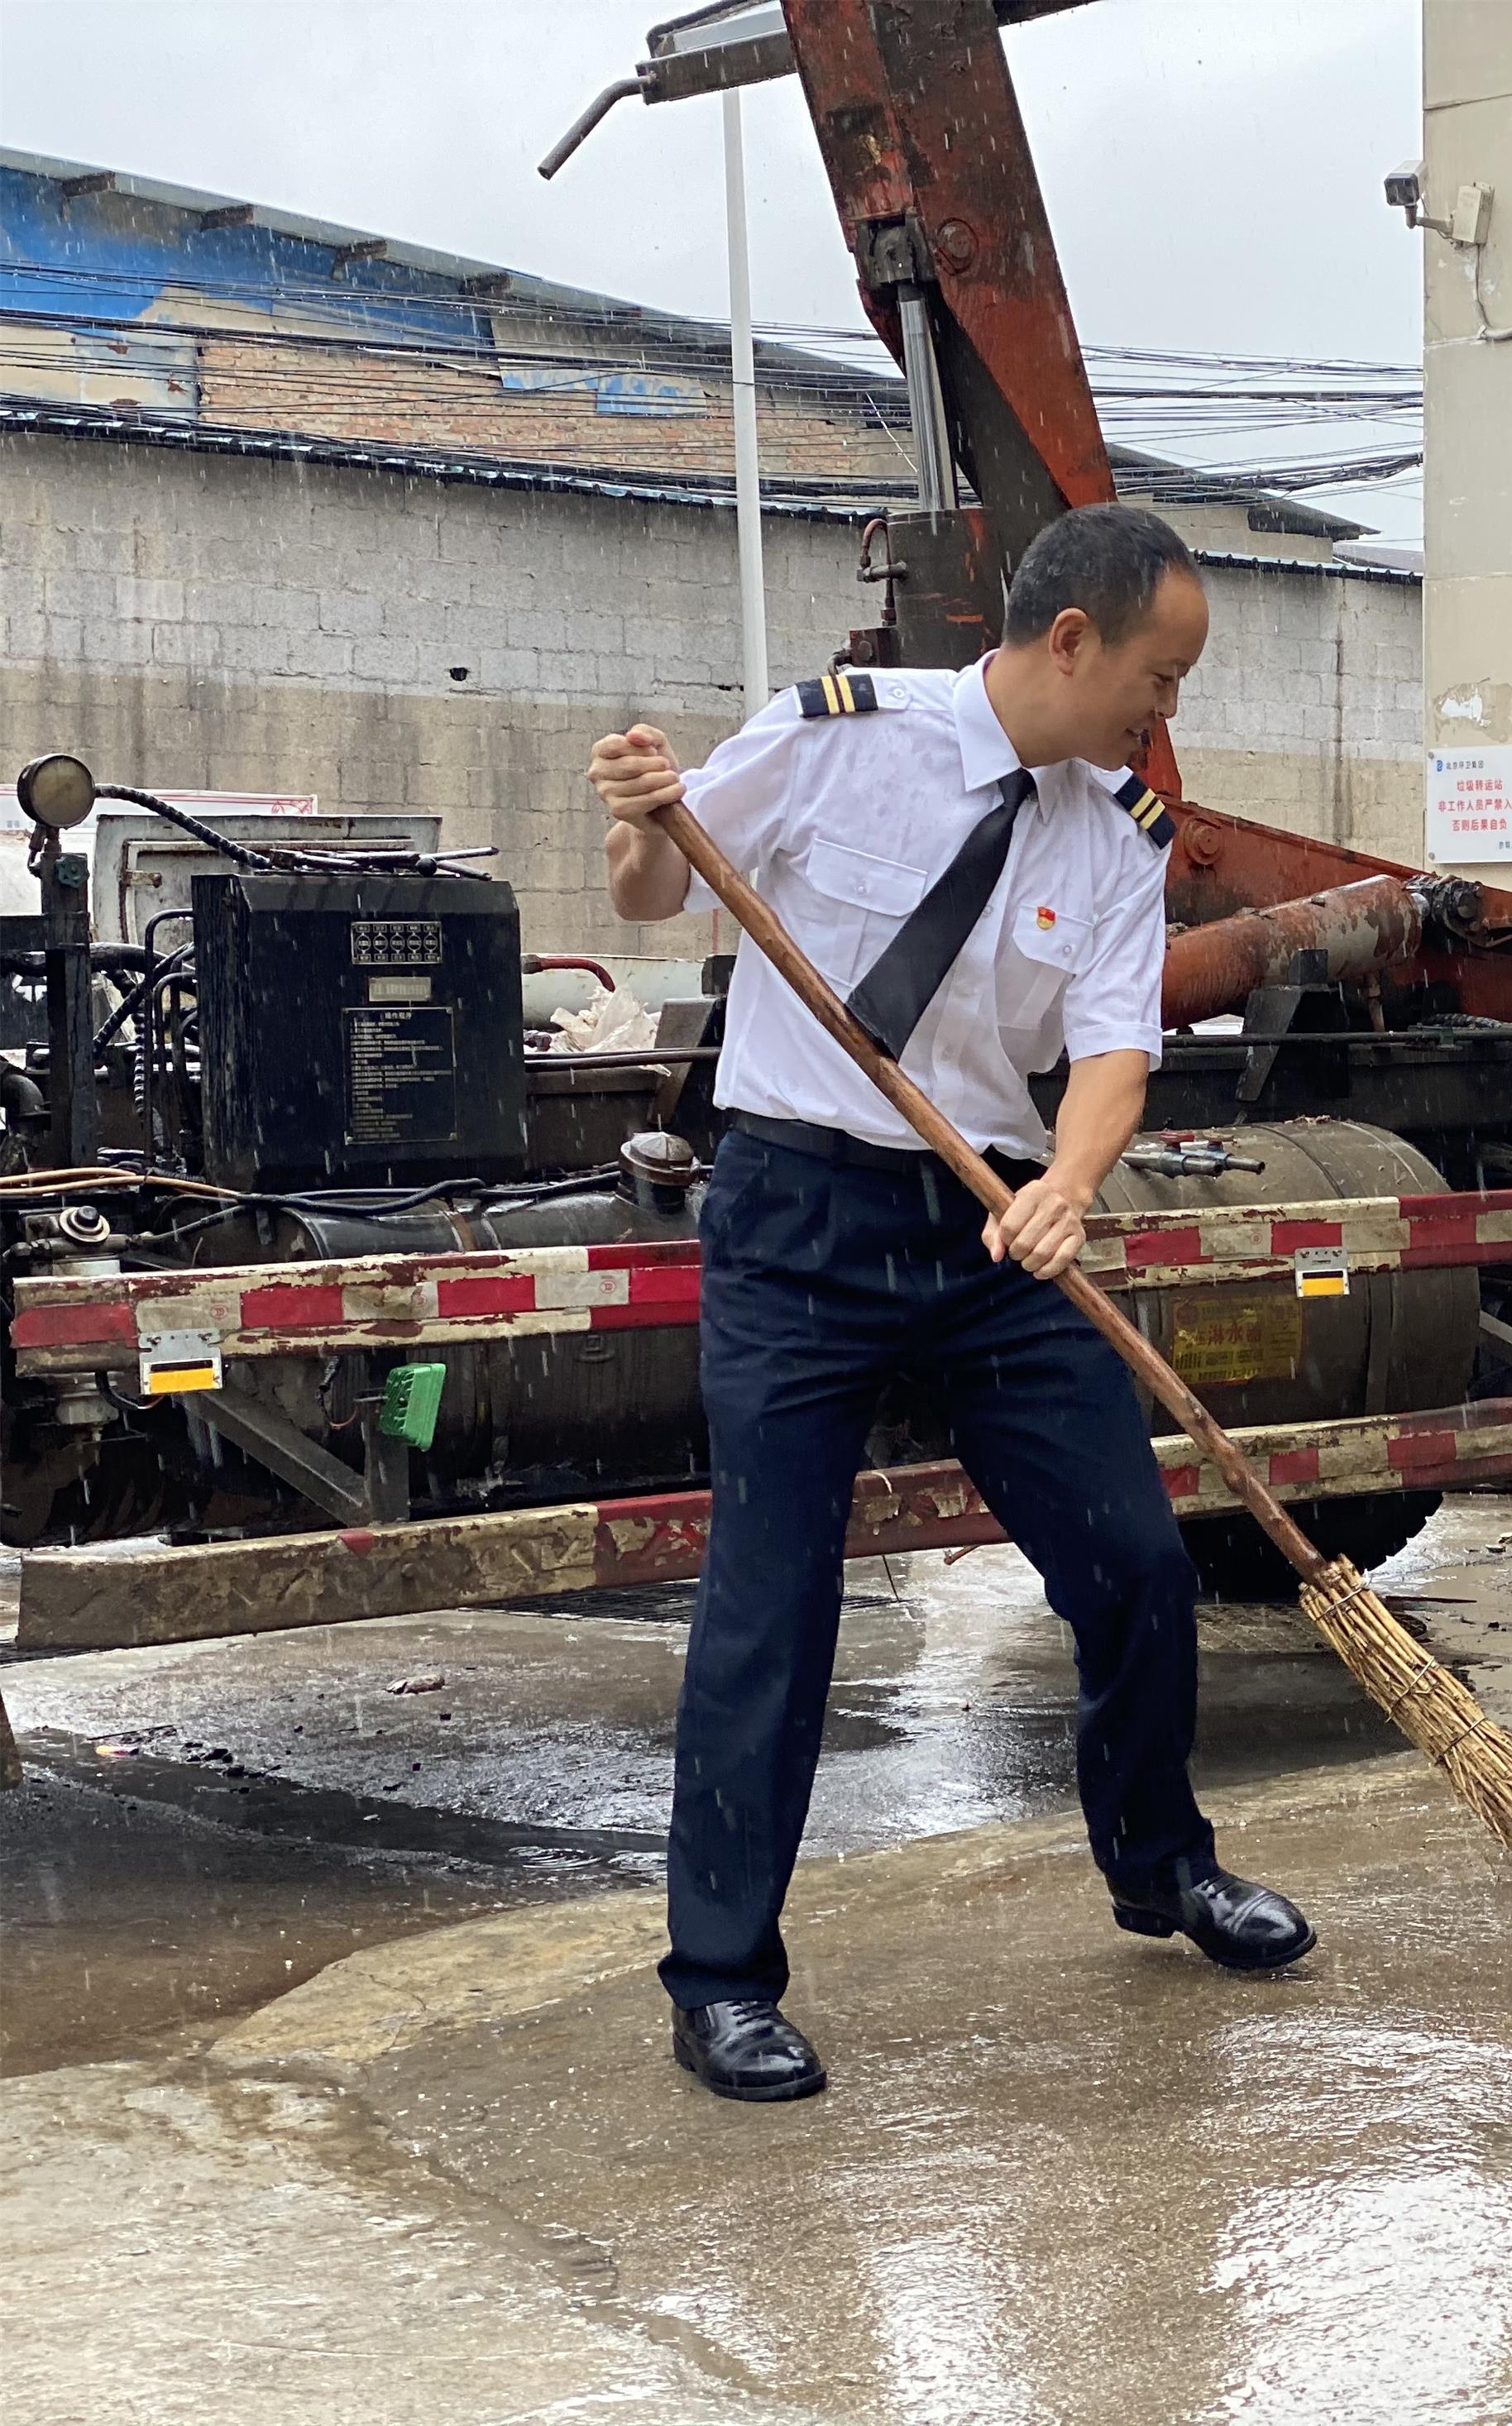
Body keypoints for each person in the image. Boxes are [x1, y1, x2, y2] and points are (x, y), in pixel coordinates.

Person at [587, 501, 1312, 2105]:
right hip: (799, 1217)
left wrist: (1072, 1179)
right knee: (771, 1598)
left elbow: (1117, 1045)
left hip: (994, 1226)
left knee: (1135, 1555)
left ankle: (1159, 1859)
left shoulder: (1115, 830)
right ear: (1073, 641)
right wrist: (641, 819)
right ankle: (720, 1982)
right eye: (1161, 674)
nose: (1166, 711)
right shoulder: (836, 739)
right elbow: (659, 892)